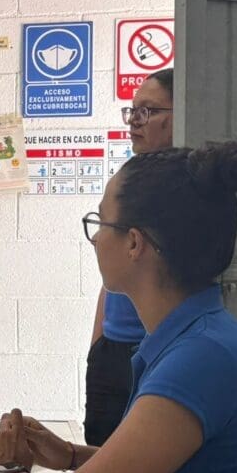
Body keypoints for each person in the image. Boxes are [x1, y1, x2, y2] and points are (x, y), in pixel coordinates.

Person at [0, 143, 237, 473]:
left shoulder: (202, 359)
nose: (94, 241)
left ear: (133, 243)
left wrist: (2, 472)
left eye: (101, 222)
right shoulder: (193, 339)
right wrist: (72, 456)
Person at [85, 68, 173, 445]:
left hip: (157, 349)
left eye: (148, 111)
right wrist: (97, 344)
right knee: (100, 453)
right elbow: (113, 275)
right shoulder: (128, 175)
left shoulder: (186, 187)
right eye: (132, 110)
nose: (135, 121)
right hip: (112, 350)